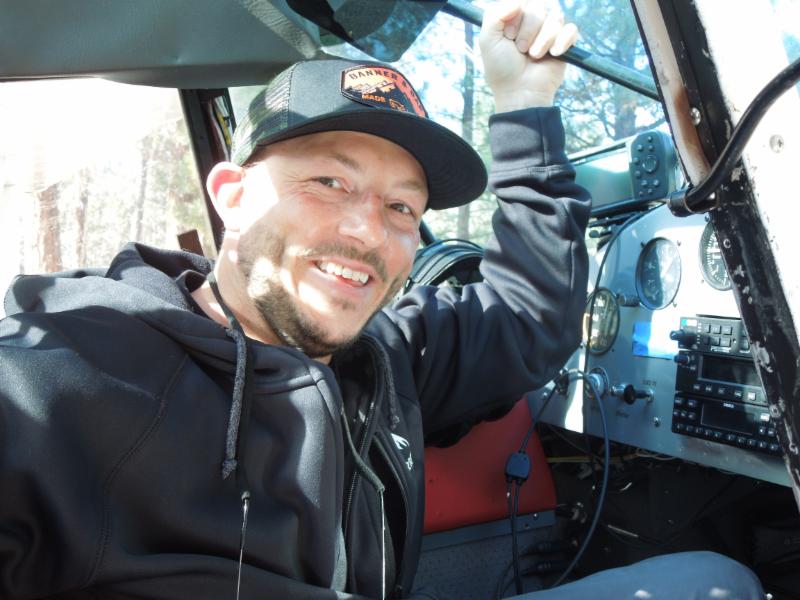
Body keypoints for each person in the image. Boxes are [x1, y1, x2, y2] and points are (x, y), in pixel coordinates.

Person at [0, 2, 765, 599]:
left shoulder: (381, 357)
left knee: (714, 578)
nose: (368, 231)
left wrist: (524, 102)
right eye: (329, 182)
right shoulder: (71, 370)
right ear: (231, 196)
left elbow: (532, 314)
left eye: (402, 206)